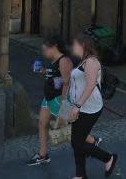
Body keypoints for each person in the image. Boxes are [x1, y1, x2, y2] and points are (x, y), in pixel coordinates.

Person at [27, 36, 102, 166]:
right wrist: (42, 71)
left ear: (54, 47)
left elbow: (66, 84)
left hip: (58, 99)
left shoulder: (64, 61)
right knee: (42, 123)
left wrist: (64, 106)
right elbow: (54, 77)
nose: (44, 52)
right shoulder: (54, 61)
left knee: (70, 127)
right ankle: (43, 154)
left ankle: (93, 141)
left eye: (45, 48)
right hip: (48, 97)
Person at [69, 33, 118, 179]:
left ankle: (108, 158)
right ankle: (80, 175)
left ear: (83, 45)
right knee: (78, 140)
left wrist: (77, 105)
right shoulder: (83, 61)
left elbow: (90, 85)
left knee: (77, 143)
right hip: (81, 107)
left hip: (90, 108)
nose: (73, 47)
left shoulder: (91, 61)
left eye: (75, 44)